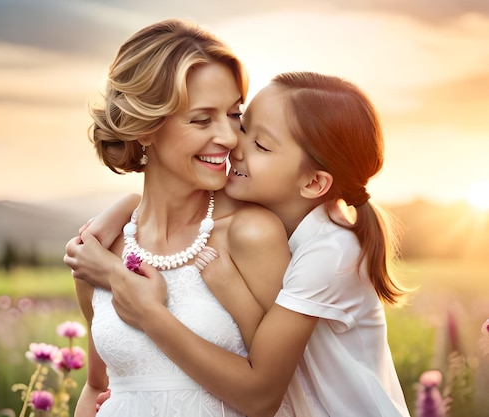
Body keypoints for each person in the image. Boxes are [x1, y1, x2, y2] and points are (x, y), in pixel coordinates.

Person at [66, 71, 412, 416]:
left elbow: (261, 382)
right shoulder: (280, 224)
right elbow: (163, 194)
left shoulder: (330, 253)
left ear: (313, 183)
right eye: (243, 125)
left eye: (260, 145)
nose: (233, 143)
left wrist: (150, 309)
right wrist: (128, 207)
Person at [70, 18, 310, 417]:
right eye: (202, 119)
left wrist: (151, 314)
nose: (231, 137)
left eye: (235, 114)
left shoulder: (249, 235)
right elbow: (97, 386)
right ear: (144, 128)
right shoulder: (99, 250)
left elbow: (283, 393)